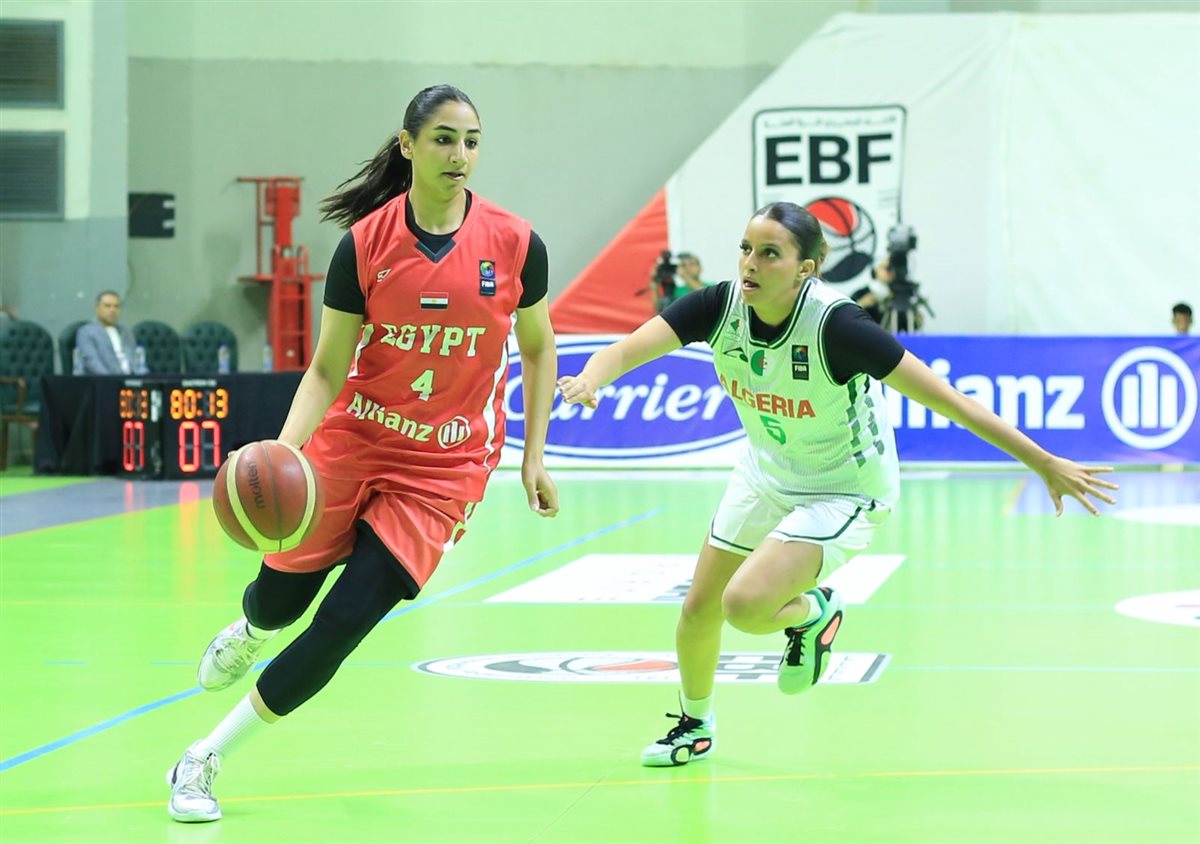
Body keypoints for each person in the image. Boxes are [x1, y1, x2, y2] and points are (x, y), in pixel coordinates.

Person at [557, 201, 1118, 768]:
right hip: (765, 471)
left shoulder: (838, 328)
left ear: (805, 268)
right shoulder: (717, 306)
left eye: (770, 254)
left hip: (845, 487)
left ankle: (813, 612)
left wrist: (1042, 461)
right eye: (746, 249)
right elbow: (626, 349)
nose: (750, 264)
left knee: (745, 606)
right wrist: (590, 378)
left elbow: (950, 401)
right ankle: (695, 726)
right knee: (699, 609)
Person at [166, 84, 561, 822]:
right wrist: (284, 451)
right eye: (443, 138)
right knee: (280, 601)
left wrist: (533, 457)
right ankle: (250, 631)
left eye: (472, 141)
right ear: (407, 144)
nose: (460, 154)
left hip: (444, 468)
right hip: (356, 440)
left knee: (344, 621)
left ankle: (204, 757)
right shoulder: (366, 244)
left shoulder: (516, 243)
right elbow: (325, 369)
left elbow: (539, 349)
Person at [75, 291, 137, 374]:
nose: (113, 310)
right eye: (107, 306)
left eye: (117, 306)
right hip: (103, 379)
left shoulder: (126, 332)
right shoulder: (86, 332)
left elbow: (136, 362)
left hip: (131, 379)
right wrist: (112, 379)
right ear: (97, 308)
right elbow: (92, 363)